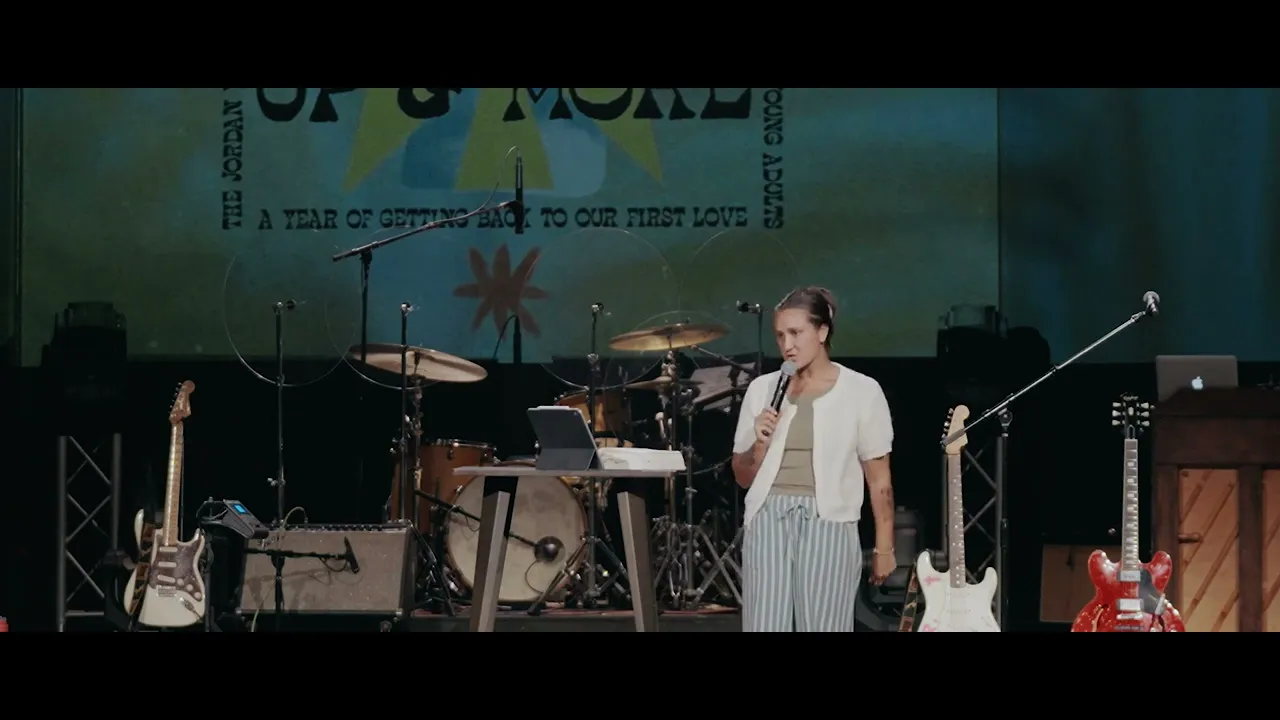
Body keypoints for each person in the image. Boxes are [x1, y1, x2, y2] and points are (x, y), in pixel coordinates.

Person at [730, 286, 896, 632]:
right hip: (768, 517)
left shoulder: (862, 391)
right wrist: (758, 445)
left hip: (828, 521)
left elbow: (879, 479)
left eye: (796, 333)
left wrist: (884, 546)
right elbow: (742, 476)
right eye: (780, 335)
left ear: (822, 332)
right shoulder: (762, 389)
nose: (787, 345)